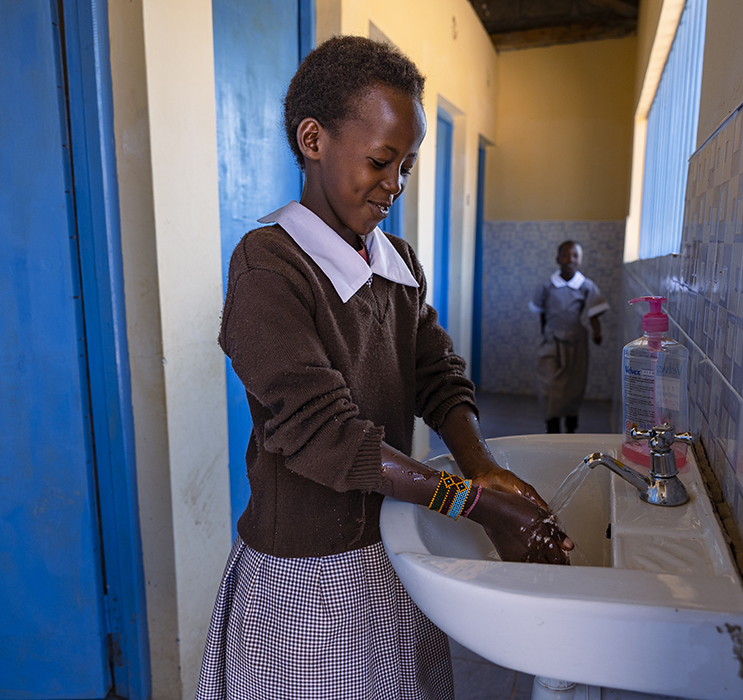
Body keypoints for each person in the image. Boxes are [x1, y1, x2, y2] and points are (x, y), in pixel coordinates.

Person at [195, 36, 573, 700]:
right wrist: (469, 502)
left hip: (393, 544)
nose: (394, 186)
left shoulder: (393, 261)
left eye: (407, 166)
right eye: (380, 161)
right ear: (313, 139)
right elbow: (323, 433)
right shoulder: (268, 267)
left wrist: (478, 462)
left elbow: (437, 371)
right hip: (309, 573)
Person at [530, 241, 609, 434]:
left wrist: (597, 332)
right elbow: (541, 312)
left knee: (574, 384)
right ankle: (552, 424)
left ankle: (571, 424)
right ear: (558, 259)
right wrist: (545, 332)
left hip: (576, 342)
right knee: (549, 383)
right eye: (565, 255)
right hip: (551, 341)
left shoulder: (585, 286)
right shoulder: (547, 286)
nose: (570, 259)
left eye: (575, 255)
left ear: (580, 260)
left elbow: (593, 313)